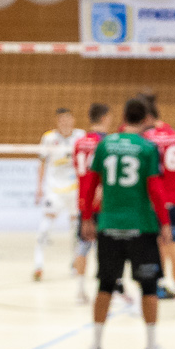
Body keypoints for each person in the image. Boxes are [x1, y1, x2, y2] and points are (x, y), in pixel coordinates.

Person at [79, 97, 173, 349]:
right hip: (141, 227)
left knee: (105, 285)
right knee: (149, 287)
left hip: (109, 224)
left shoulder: (105, 144)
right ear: (145, 120)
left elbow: (90, 185)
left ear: (123, 116)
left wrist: (87, 218)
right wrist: (165, 223)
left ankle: (95, 348)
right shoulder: (147, 147)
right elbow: (156, 189)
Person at [140, 92, 175, 316]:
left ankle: (145, 300)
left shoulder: (143, 139)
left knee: (150, 253)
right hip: (172, 204)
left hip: (149, 204)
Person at [35, 107, 84, 282]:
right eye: (61, 119)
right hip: (53, 189)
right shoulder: (49, 138)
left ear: (73, 120)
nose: (65, 122)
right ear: (57, 121)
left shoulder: (80, 136)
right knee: (46, 225)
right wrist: (39, 188)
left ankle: (74, 263)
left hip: (74, 189)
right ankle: (38, 264)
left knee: (75, 229)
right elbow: (42, 163)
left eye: (68, 119)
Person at [70, 103, 108, 299]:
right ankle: (108, 289)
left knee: (83, 245)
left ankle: (80, 290)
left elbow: (77, 170)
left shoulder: (79, 142)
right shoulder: (106, 142)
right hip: (102, 202)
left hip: (83, 199)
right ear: (104, 117)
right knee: (106, 249)